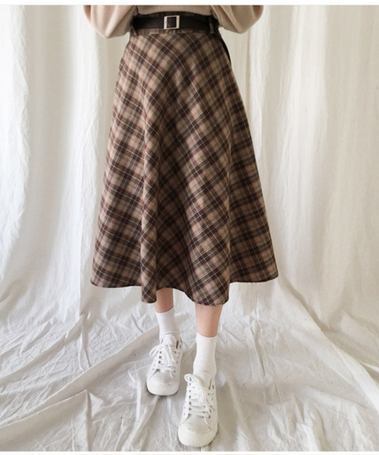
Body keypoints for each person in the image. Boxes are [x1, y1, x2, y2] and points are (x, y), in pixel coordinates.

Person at [83, 5, 278, 448]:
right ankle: (168, 339)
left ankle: (204, 370)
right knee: (154, 206)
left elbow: (243, 17)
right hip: (144, 70)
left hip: (203, 69)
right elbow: (105, 23)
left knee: (207, 211)